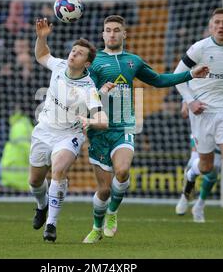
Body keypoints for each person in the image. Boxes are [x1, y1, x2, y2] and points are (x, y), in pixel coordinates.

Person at [82, 15, 210, 243]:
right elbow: (82, 93)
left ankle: (112, 212)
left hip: (123, 125)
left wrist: (190, 73)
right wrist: (99, 93)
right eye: (108, 30)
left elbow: (159, 80)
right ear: (102, 34)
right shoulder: (93, 63)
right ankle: (96, 226)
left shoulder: (134, 61)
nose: (112, 34)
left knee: (122, 171)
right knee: (103, 190)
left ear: (124, 34)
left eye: (116, 30)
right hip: (99, 129)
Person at [173, 8, 223, 231]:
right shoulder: (199, 48)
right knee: (207, 167)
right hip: (201, 112)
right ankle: (191, 175)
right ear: (211, 26)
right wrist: (190, 101)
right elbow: (177, 77)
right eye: (217, 22)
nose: (221, 26)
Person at [30, 18, 110, 242]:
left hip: (68, 135)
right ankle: (41, 205)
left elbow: (103, 120)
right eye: (73, 50)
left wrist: (89, 121)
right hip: (44, 130)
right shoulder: (59, 66)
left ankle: (51, 225)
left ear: (86, 63)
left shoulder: (88, 88)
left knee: (58, 170)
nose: (73, 54)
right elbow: (41, 55)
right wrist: (42, 37)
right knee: (35, 181)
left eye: (79, 53)